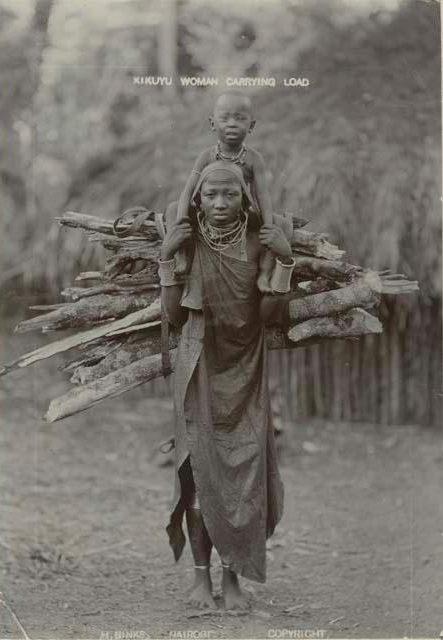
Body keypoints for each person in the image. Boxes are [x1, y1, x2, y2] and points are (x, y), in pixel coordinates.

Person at [158, 161, 296, 610]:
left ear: (245, 198)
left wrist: (285, 260)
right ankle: (201, 579)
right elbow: (175, 317)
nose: (220, 204)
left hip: (246, 366)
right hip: (198, 364)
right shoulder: (189, 241)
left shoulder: (260, 241)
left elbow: (271, 316)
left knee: (246, 475)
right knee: (199, 474)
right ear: (197, 199)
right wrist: (166, 258)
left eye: (230, 195)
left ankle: (232, 579)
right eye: (211, 194)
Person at [169, 90, 276, 293]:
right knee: (173, 209)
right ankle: (182, 257)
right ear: (212, 123)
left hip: (242, 215)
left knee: (281, 226)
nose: (232, 123)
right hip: (207, 214)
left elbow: (262, 195)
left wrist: (268, 225)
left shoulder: (254, 159)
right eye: (225, 118)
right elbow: (188, 190)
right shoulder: (206, 156)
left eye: (240, 118)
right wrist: (182, 219)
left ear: (251, 125)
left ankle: (264, 274)